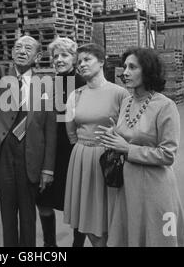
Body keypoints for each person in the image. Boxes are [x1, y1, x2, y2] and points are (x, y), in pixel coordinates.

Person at [0, 14, 57, 247]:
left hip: (31, 156)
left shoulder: (46, 86)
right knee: (7, 213)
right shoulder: (1, 79)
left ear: (37, 56)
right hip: (3, 155)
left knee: (28, 214)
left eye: (28, 48)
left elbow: (50, 130)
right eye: (18, 47)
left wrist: (48, 168)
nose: (21, 50)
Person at [98, 47, 184, 247]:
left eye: (132, 67)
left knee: (157, 239)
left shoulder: (165, 106)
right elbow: (127, 134)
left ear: (147, 70)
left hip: (155, 187)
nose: (126, 72)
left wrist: (128, 149)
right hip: (128, 185)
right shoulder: (127, 102)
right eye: (124, 67)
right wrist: (114, 136)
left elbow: (168, 154)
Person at [63, 43, 129, 247]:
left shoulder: (120, 94)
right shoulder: (76, 95)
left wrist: (112, 141)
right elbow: (70, 129)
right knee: (89, 218)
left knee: (110, 215)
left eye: (87, 59)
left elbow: (129, 128)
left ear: (101, 62)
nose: (81, 64)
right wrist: (84, 146)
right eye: (79, 61)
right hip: (83, 158)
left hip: (109, 160)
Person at [35, 37, 87, 247]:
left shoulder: (83, 84)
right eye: (55, 56)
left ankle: (77, 245)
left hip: (73, 151)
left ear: (74, 59)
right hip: (49, 152)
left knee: (77, 204)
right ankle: (50, 245)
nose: (58, 59)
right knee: (44, 201)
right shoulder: (47, 84)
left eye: (64, 55)